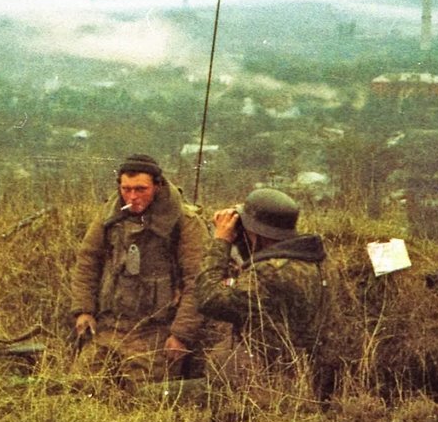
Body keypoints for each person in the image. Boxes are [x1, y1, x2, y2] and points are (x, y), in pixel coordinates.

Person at [69, 154, 209, 388]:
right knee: (82, 387)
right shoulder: (109, 216)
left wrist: (181, 335)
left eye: (141, 189)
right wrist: (83, 310)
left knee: (141, 395)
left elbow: (197, 281)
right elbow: (87, 262)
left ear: (158, 185)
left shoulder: (184, 222)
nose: (132, 196)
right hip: (110, 326)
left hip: (157, 331)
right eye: (126, 189)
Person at [194, 187, 330, 398]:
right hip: (305, 377)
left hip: (263, 384)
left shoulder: (270, 272)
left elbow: (209, 299)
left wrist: (221, 240)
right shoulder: (312, 261)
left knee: (151, 394)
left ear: (256, 232)